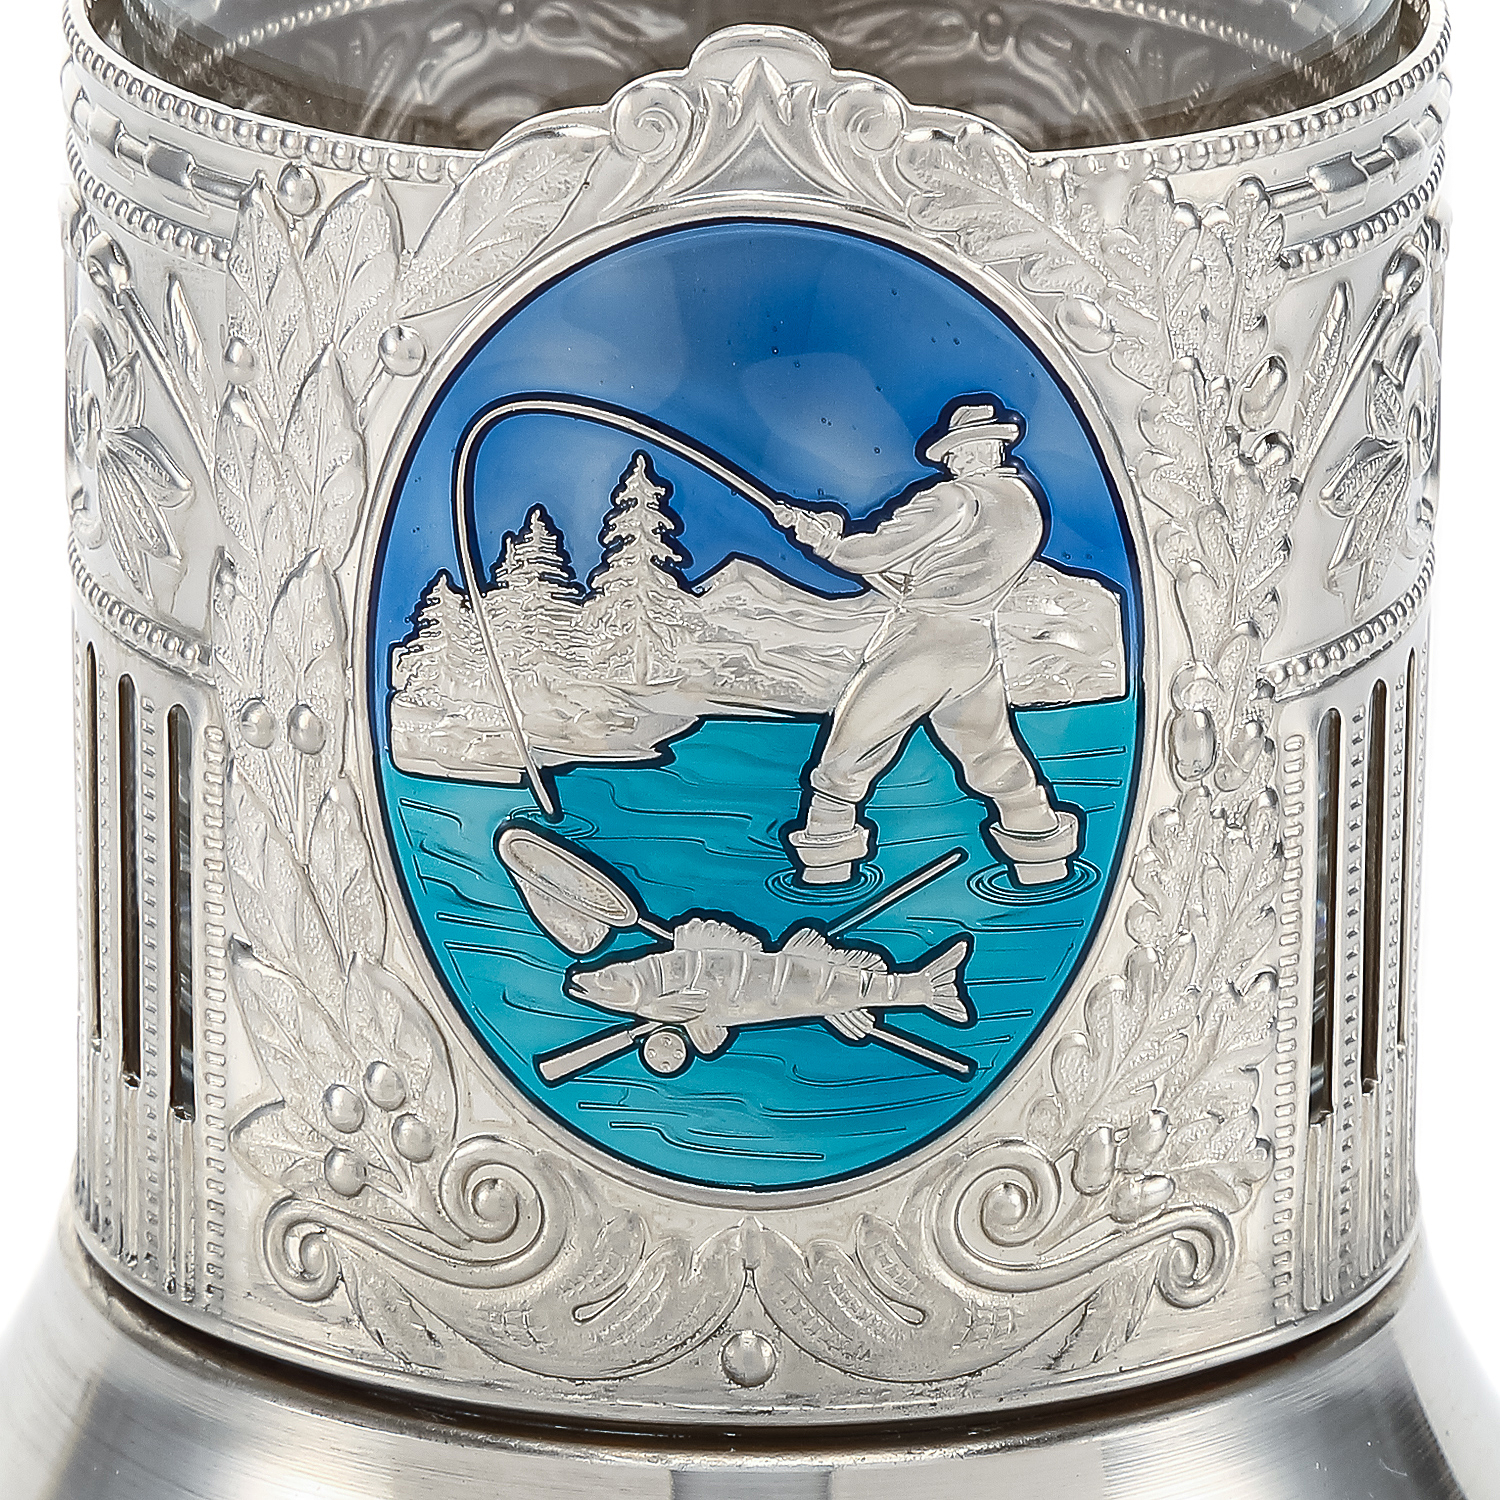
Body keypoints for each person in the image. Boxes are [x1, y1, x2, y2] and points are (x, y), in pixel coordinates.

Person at [776, 401, 1079, 886]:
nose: (950, 461)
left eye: (956, 450)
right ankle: (1044, 863)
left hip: (923, 641)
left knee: (844, 760)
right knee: (993, 757)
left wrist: (827, 541)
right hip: (975, 641)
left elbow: (874, 551)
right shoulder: (1024, 503)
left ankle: (823, 874)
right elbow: (947, 569)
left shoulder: (953, 498)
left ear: (981, 448)